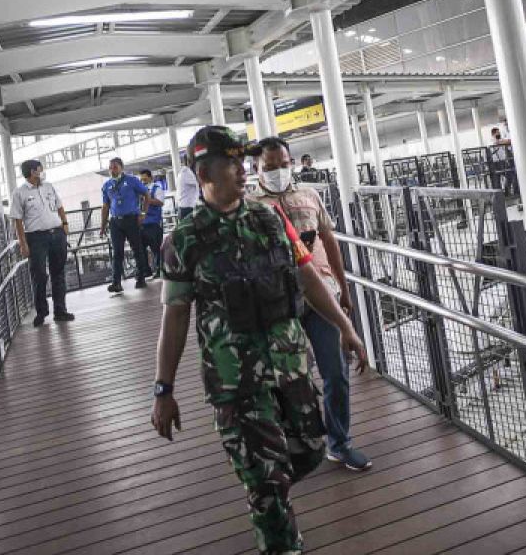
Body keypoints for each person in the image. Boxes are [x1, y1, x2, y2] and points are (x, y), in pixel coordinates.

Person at [151, 126, 366, 555]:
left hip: (290, 367)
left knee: (307, 450)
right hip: (236, 382)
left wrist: (345, 325)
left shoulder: (268, 218)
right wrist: (164, 389)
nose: (242, 170)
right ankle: (282, 542)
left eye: (241, 161)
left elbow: (307, 276)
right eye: (231, 162)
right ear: (204, 172)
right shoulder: (182, 242)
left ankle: (276, 494)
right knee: (265, 480)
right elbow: (174, 317)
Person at [252, 136, 372, 472]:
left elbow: (329, 240)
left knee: (336, 372)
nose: (277, 171)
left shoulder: (310, 195)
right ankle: (296, 444)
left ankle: (340, 442)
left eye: (283, 164)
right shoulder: (250, 206)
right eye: (269, 166)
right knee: (288, 380)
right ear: (257, 168)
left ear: (292, 162)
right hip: (279, 305)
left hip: (322, 296)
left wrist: (343, 288)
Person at [9, 159, 74, 327]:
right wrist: (23, 244)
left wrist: (65, 224)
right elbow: (17, 220)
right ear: (32, 172)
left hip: (57, 234)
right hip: (36, 238)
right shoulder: (19, 193)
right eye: (40, 169)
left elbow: (60, 206)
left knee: (58, 273)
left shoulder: (49, 186)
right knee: (39, 275)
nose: (42, 171)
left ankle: (60, 311)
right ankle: (41, 312)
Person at [99, 157, 150, 293]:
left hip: (131, 219)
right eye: (110, 167)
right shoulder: (106, 185)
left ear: (122, 167)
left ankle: (140, 278)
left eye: (115, 166)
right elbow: (105, 206)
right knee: (117, 252)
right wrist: (102, 227)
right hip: (115, 221)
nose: (112, 169)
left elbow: (146, 194)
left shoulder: (131, 180)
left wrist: (143, 213)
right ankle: (116, 283)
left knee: (137, 248)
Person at [139, 169, 166, 277]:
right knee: (141, 248)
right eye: (141, 180)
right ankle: (146, 270)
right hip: (142, 223)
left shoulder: (157, 188)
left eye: (145, 179)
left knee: (156, 248)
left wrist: (148, 199)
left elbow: (160, 202)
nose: (143, 181)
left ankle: (160, 270)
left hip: (153, 223)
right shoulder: (139, 190)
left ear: (150, 178)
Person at [177, 155, 200, 220]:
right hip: (187, 208)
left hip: (185, 207)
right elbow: (200, 181)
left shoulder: (183, 172)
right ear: (189, 161)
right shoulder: (186, 172)